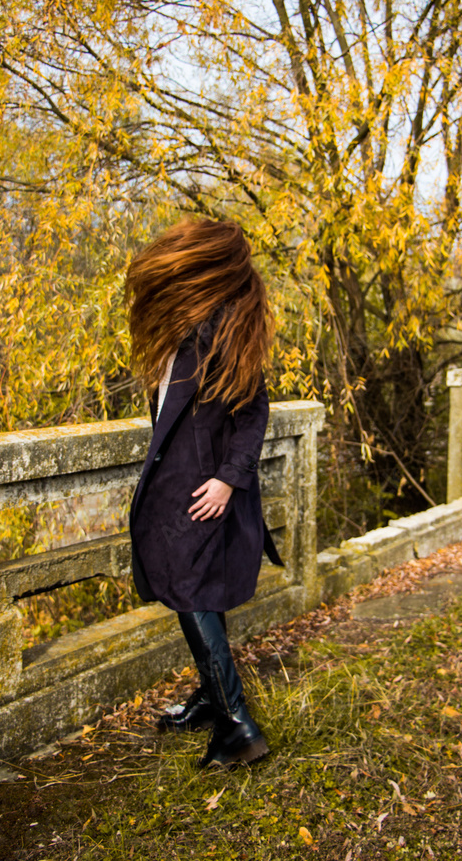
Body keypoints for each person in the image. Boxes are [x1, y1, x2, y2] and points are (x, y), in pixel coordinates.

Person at [126, 217, 278, 768]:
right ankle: (213, 700)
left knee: (191, 592)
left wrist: (229, 478)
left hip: (201, 490)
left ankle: (237, 724)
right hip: (179, 485)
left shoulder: (220, 327)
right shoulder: (193, 320)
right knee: (197, 591)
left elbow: (254, 411)